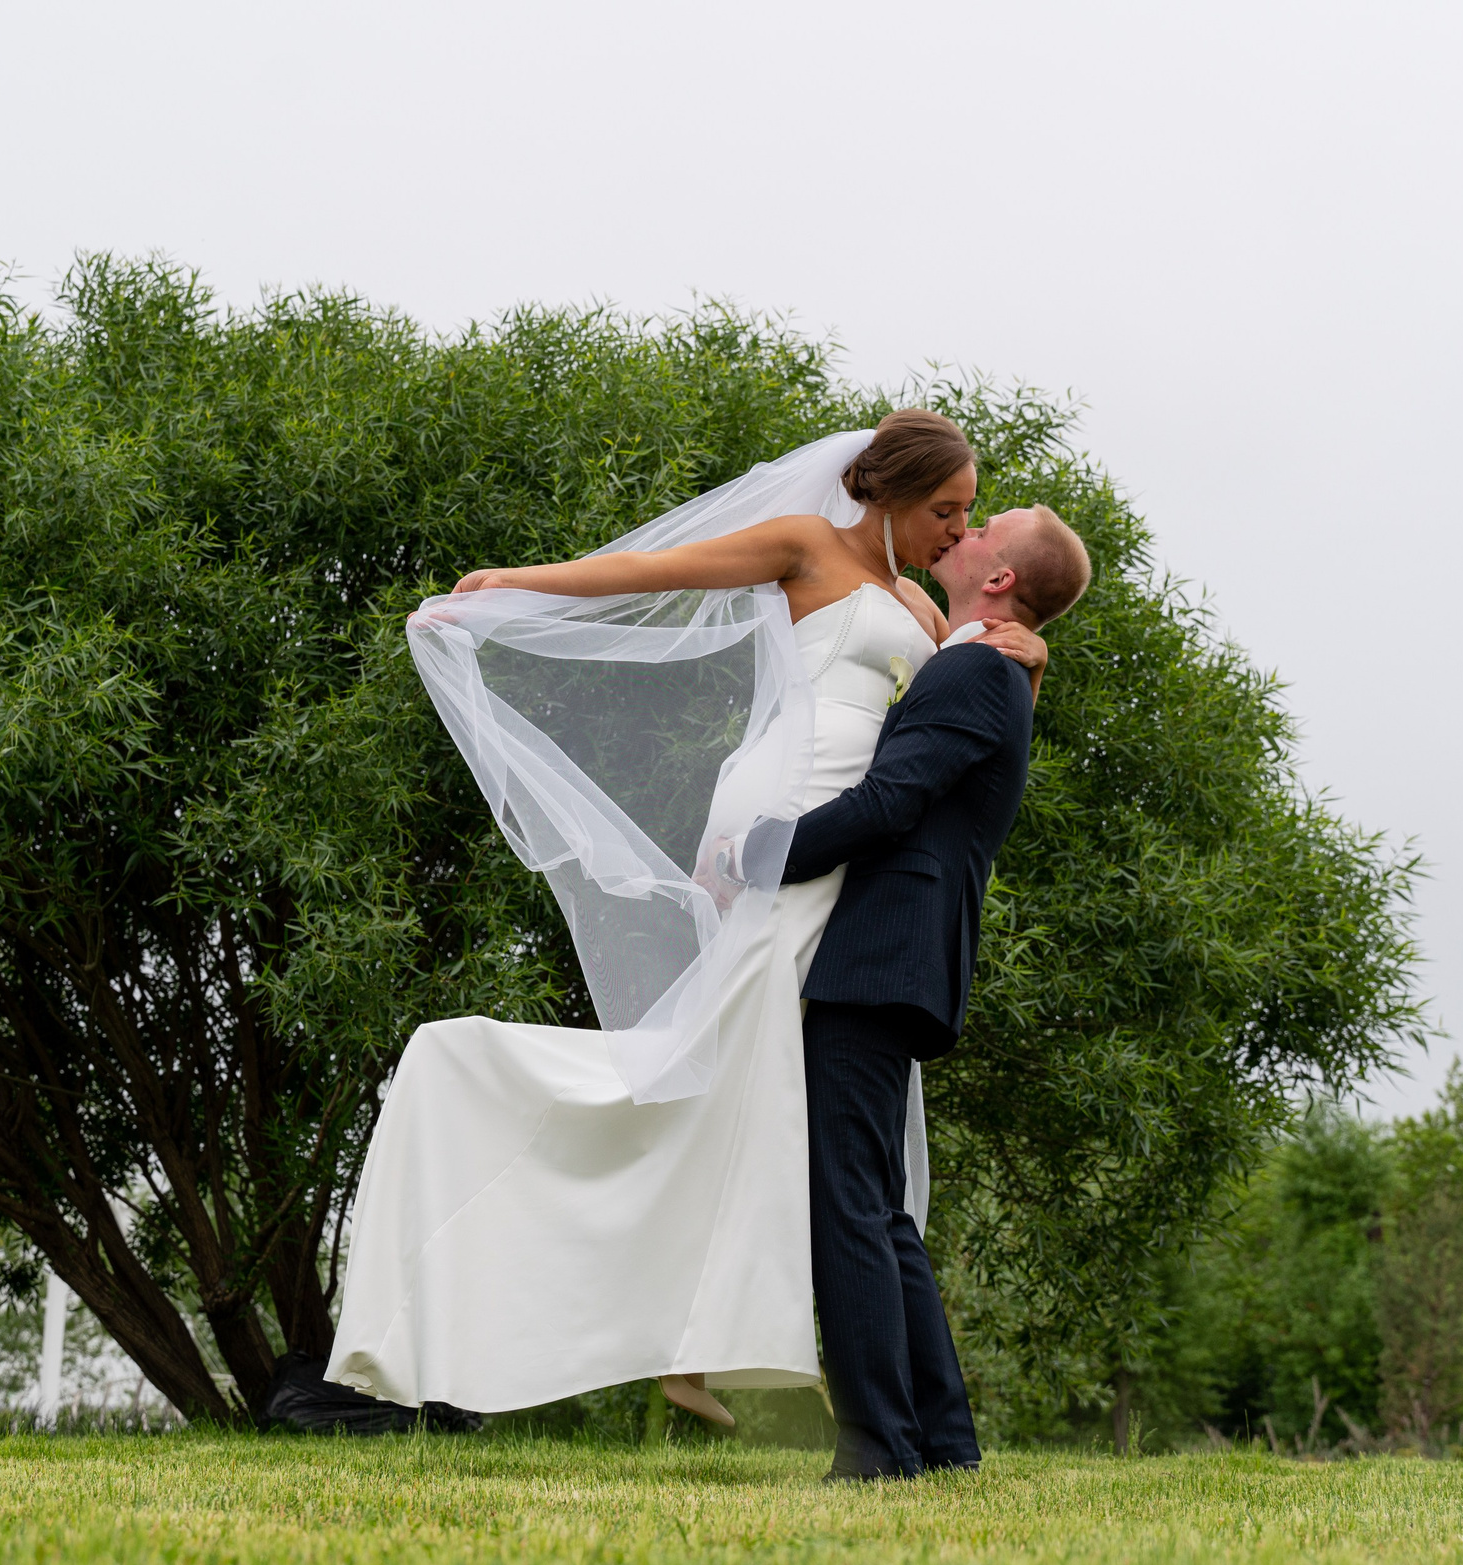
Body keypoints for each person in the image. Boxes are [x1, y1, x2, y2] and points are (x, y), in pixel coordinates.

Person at [322, 412, 1050, 1432]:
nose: (955, 531)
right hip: (784, 835)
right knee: (722, 1073)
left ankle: (693, 1337)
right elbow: (658, 571)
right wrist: (518, 583)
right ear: (885, 493)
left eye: (969, 517)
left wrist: (1025, 646)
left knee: (754, 1089)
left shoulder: (928, 614)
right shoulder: (807, 548)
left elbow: (955, 715)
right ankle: (680, 1328)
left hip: (841, 863)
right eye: (945, 510)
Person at [763, 503, 1092, 1476]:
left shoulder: (973, 669)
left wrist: (750, 857)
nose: (970, 528)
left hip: (880, 949)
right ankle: (941, 1442)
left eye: (989, 524)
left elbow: (885, 802)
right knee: (881, 1208)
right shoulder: (991, 663)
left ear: (1001, 578)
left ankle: (875, 1445)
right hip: (905, 952)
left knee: (849, 1207)